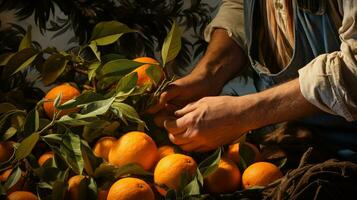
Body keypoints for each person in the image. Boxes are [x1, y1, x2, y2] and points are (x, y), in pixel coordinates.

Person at [149, 0, 357, 160]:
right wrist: (206, 76)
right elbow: (242, 8)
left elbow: (354, 67)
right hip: (297, 139)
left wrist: (242, 114)